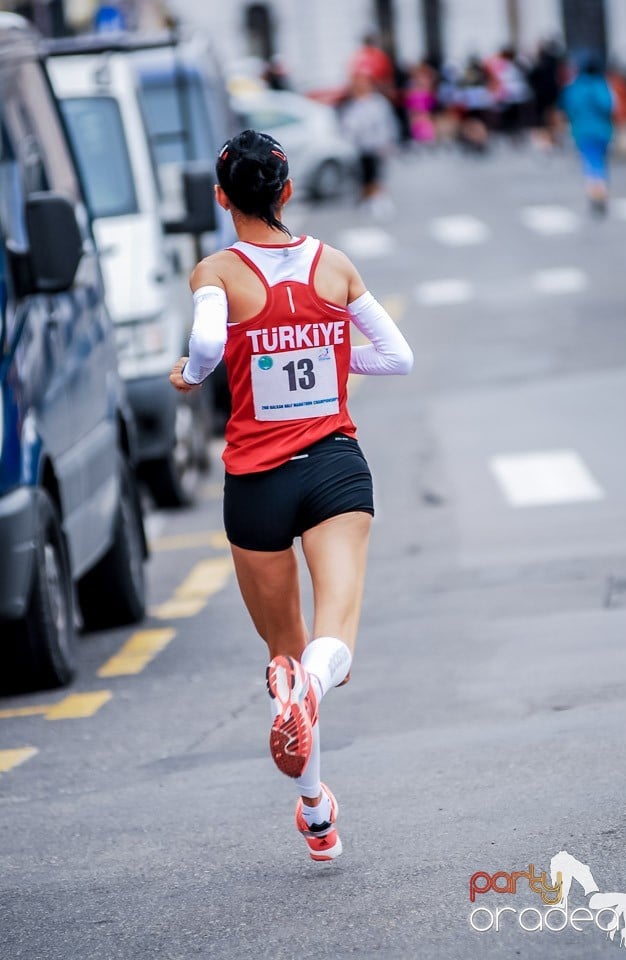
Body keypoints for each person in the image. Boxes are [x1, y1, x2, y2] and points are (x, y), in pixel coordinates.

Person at [169, 129, 413, 861]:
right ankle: (310, 704)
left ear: (221, 197)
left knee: (286, 653)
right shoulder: (332, 264)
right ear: (287, 192)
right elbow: (398, 359)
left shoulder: (216, 270)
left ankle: (316, 809)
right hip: (335, 466)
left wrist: (192, 370)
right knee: (335, 631)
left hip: (256, 484)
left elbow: (209, 346)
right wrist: (336, 359)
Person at [561, 54, 615, 215]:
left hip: (582, 131)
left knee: (591, 163)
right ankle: (601, 194)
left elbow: (569, 109)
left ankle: (596, 194)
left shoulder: (574, 87)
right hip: (602, 130)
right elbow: (608, 106)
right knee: (600, 163)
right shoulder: (601, 85)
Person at [340, 71, 399, 216]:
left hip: (377, 145)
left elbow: (387, 123)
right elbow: (348, 126)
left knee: (377, 174)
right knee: (365, 175)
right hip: (361, 146)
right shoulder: (353, 104)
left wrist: (389, 141)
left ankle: (378, 200)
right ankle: (368, 200)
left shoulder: (378, 102)